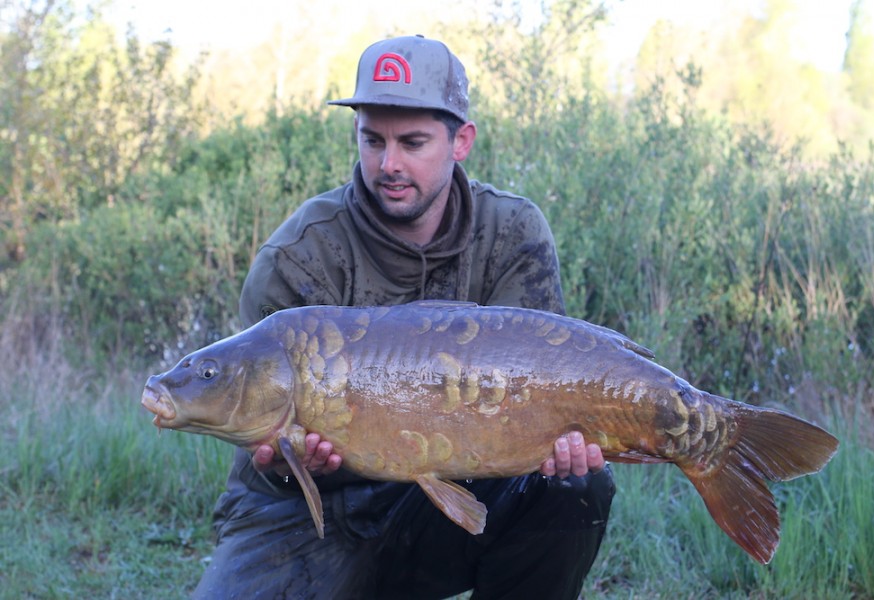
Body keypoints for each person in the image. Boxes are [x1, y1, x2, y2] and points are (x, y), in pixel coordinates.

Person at [194, 35, 615, 599]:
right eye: (373, 140)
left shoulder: (512, 234)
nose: (389, 164)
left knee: (575, 485)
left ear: (460, 140)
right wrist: (296, 461)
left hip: (444, 495)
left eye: (413, 142)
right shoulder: (298, 255)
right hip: (299, 511)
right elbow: (263, 442)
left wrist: (561, 443)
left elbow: (545, 388)